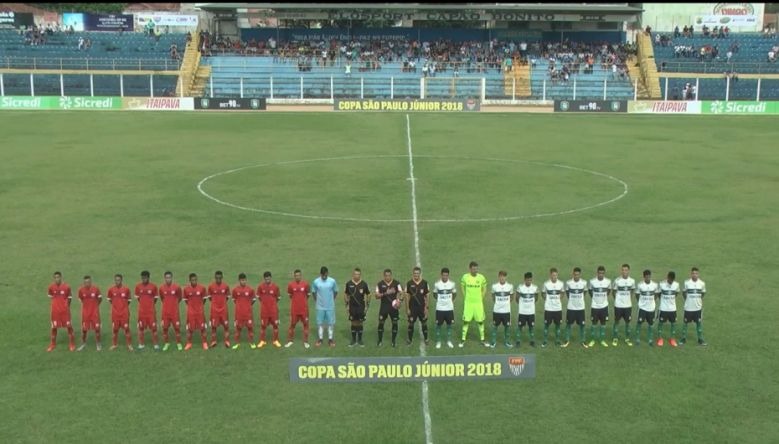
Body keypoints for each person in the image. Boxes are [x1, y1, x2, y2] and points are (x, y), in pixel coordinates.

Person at [459, 261, 488, 347]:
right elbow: (462, 287)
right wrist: (465, 297)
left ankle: (482, 339)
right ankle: (463, 339)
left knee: (480, 321)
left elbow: (484, 288)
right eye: (474, 269)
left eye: (476, 269)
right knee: (466, 321)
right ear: (470, 269)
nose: (475, 270)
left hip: (478, 304)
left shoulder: (481, 277)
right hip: (468, 303)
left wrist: (481, 298)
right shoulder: (465, 277)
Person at [375, 269, 404, 347]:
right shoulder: (380, 284)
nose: (387, 277)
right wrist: (386, 293)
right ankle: (380, 340)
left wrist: (399, 301)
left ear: (391, 275)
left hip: (393, 307)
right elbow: (376, 296)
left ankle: (393, 341)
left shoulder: (396, 283)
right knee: (381, 323)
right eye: (386, 276)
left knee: (395, 323)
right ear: (384, 276)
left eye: (389, 275)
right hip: (384, 306)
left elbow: (402, 293)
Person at [47, 271, 75, 352]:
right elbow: (51, 297)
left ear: (61, 277)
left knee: (69, 327)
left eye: (58, 277)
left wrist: (66, 307)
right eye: (55, 277)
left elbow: (69, 298)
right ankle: (52, 344)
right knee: (54, 327)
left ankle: (72, 344)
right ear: (54, 278)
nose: (57, 279)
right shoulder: (51, 287)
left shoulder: (66, 287)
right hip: (55, 312)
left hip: (65, 311)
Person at [311, 266, 338, 347]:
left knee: (330, 323)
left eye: (325, 275)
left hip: (330, 307)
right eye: (322, 275)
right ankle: (320, 339)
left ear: (327, 273)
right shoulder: (316, 281)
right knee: (320, 323)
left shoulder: (332, 281)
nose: (324, 277)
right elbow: (313, 291)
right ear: (320, 274)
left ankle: (330, 339)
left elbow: (335, 291)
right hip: (320, 307)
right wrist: (317, 301)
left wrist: (332, 299)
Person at [344, 268, 370, 347]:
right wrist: (347, 304)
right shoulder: (349, 284)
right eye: (355, 274)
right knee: (353, 322)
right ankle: (353, 340)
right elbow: (346, 294)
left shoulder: (364, 284)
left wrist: (367, 305)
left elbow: (368, 294)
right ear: (353, 274)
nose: (357, 276)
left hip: (361, 307)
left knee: (360, 322)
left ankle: (360, 340)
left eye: (358, 274)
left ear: (360, 275)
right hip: (352, 307)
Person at [611, 263, 636, 347]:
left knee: (628, 323)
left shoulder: (632, 281)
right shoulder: (617, 280)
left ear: (628, 271)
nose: (624, 271)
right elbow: (613, 292)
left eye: (626, 270)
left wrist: (629, 299)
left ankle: (627, 338)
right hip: (618, 306)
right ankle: (615, 338)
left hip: (628, 306)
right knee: (616, 322)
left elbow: (632, 290)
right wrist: (617, 300)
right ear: (621, 271)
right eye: (623, 270)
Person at [183, 273, 208, 351]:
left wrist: (199, 306)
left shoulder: (202, 288)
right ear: (189, 280)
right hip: (191, 313)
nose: (194, 281)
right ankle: (189, 343)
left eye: (195, 280)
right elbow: (186, 301)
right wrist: (191, 307)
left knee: (203, 328)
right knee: (189, 329)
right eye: (192, 280)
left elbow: (204, 299)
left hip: (200, 312)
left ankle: (204, 343)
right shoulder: (186, 289)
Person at [285, 269, 310, 348]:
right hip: (294, 310)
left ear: (301, 276)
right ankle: (290, 341)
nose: (297, 277)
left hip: (304, 310)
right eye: (296, 276)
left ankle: (306, 342)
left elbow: (308, 295)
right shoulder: (291, 285)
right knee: (292, 325)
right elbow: (290, 295)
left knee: (305, 325)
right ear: (294, 276)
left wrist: (302, 302)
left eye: (299, 275)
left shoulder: (306, 284)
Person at [587, 266, 611, 348]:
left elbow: (609, 290)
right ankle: (593, 340)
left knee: (603, 323)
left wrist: (604, 297)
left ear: (604, 273)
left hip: (604, 306)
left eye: (602, 273)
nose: (601, 275)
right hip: (595, 306)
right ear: (597, 273)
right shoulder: (592, 281)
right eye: (599, 273)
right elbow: (590, 290)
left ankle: (602, 340)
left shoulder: (608, 281)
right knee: (594, 323)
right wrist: (594, 298)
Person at [681, 267, 707, 346]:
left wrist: (699, 299)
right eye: (693, 273)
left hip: (697, 308)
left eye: (696, 273)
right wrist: (687, 299)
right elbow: (683, 292)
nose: (694, 275)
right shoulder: (687, 283)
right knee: (685, 323)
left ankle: (700, 339)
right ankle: (683, 338)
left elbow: (703, 293)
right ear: (691, 274)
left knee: (698, 323)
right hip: (688, 307)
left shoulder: (702, 283)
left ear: (698, 274)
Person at [107, 274, 133, 351]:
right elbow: (110, 300)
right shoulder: (111, 290)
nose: (117, 281)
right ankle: (114, 344)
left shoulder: (126, 289)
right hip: (115, 314)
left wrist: (123, 307)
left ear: (121, 280)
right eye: (116, 280)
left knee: (126, 329)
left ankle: (129, 345)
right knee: (115, 330)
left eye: (118, 280)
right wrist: (116, 306)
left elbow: (129, 301)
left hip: (124, 314)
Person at [134, 270, 159, 351]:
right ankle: (141, 344)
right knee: (141, 328)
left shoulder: (153, 287)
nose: (143, 279)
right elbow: (138, 298)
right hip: (142, 312)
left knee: (154, 328)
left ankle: (155, 344)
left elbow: (155, 299)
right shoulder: (138, 287)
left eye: (145, 278)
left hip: (151, 312)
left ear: (148, 278)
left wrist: (150, 305)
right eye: (142, 278)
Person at [563, 267, 588, 348]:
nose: (576, 276)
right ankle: (567, 340)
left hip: (580, 308)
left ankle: (583, 341)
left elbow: (585, 292)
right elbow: (567, 293)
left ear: (580, 275)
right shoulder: (569, 283)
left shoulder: (584, 283)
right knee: (568, 324)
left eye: (578, 275)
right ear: (573, 274)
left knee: (582, 325)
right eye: (575, 274)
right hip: (571, 308)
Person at [405, 266, 430, 346]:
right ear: (413, 274)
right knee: (411, 324)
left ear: (420, 274)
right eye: (415, 273)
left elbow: (427, 296)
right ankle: (409, 339)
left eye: (417, 273)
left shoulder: (425, 283)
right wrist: (407, 308)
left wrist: (426, 308)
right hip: (412, 308)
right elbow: (407, 297)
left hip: (421, 308)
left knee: (424, 323)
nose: (416, 275)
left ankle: (426, 339)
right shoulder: (409, 283)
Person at [433, 267, 457, 349]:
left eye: (446, 275)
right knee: (438, 325)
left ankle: (449, 341)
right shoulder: (437, 284)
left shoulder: (452, 284)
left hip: (449, 308)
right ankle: (438, 341)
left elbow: (454, 293)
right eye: (443, 275)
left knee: (449, 325)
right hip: (440, 308)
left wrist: (450, 301)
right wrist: (440, 301)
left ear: (448, 275)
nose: (445, 277)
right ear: (441, 275)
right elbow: (434, 294)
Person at [634, 269, 659, 346]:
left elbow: (656, 294)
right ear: (644, 277)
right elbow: (637, 295)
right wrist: (641, 302)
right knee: (639, 323)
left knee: (651, 324)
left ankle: (650, 340)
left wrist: (652, 301)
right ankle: (637, 339)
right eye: (646, 277)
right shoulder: (640, 285)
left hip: (651, 308)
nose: (648, 278)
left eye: (649, 277)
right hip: (642, 308)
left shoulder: (654, 285)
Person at [231, 273, 256, 349]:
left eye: (244, 280)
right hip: (239, 313)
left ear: (246, 280)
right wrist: (240, 306)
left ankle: (251, 342)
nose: (243, 281)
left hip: (248, 313)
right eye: (242, 280)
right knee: (238, 329)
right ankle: (237, 343)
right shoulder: (235, 290)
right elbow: (234, 300)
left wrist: (248, 305)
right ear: (239, 280)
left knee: (250, 328)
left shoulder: (250, 290)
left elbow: (253, 300)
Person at [159, 271, 183, 351]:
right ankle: (166, 343)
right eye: (166, 278)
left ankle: (179, 343)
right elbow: (162, 298)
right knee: (165, 328)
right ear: (164, 278)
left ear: (172, 278)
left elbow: (180, 298)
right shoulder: (161, 288)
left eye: (169, 277)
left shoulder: (177, 287)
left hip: (174, 312)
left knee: (177, 328)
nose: (168, 279)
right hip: (165, 313)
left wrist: (174, 304)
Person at [257, 271, 281, 348]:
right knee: (263, 326)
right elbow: (259, 297)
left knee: (275, 326)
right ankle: (262, 341)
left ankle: (276, 340)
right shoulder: (260, 287)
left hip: (273, 311)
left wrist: (272, 304)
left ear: (271, 278)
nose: (267, 280)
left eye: (268, 279)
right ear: (264, 279)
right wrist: (265, 303)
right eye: (266, 279)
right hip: (264, 311)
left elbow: (278, 298)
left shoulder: (275, 287)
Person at [77, 275, 102, 351]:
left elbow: (100, 299)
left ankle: (98, 344)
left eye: (88, 282)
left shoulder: (96, 289)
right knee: (84, 330)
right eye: (85, 282)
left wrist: (95, 306)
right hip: (85, 314)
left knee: (97, 329)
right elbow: (81, 299)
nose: (87, 283)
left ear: (91, 282)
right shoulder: (81, 290)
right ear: (84, 283)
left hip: (95, 314)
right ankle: (83, 344)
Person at [489, 271, 513, 348]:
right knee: (495, 326)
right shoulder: (494, 286)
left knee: (507, 327)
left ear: (506, 277)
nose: (502, 278)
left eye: (504, 276)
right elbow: (493, 296)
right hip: (497, 310)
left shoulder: (510, 286)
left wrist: (506, 303)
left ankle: (507, 342)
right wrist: (498, 303)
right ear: (499, 277)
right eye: (501, 276)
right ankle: (493, 342)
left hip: (506, 311)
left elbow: (511, 297)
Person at [207, 271, 231, 348]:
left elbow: (227, 297)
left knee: (226, 326)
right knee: (213, 326)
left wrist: (222, 303)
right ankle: (213, 341)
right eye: (217, 278)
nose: (218, 280)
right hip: (214, 310)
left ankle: (227, 341)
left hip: (223, 310)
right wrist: (215, 304)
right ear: (215, 278)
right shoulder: (211, 286)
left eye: (220, 278)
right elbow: (210, 298)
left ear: (222, 278)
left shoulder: (226, 286)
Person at [656, 271, 680, 347]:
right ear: (667, 277)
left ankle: (672, 339)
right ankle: (660, 338)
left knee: (673, 323)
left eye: (672, 280)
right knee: (661, 323)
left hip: (672, 308)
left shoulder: (676, 284)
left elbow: (676, 293)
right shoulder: (662, 284)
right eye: (670, 279)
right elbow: (658, 294)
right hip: (663, 308)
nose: (671, 281)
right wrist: (663, 300)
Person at [542, 268, 564, 347]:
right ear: (550, 275)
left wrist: (558, 299)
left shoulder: (561, 283)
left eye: (556, 275)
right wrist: (547, 300)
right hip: (548, 308)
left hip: (558, 308)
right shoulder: (546, 284)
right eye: (553, 275)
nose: (554, 277)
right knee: (546, 325)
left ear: (557, 275)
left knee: (558, 325)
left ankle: (557, 340)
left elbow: (562, 293)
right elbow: (543, 293)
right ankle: (545, 341)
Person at [515, 272, 538, 348]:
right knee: (520, 326)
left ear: (532, 280)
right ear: (524, 280)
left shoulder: (535, 288)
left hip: (531, 312)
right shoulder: (520, 287)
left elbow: (536, 297)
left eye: (530, 280)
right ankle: (518, 341)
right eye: (527, 280)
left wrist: (530, 304)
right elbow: (517, 298)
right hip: (522, 311)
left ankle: (532, 341)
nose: (529, 281)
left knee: (531, 327)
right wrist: (522, 305)